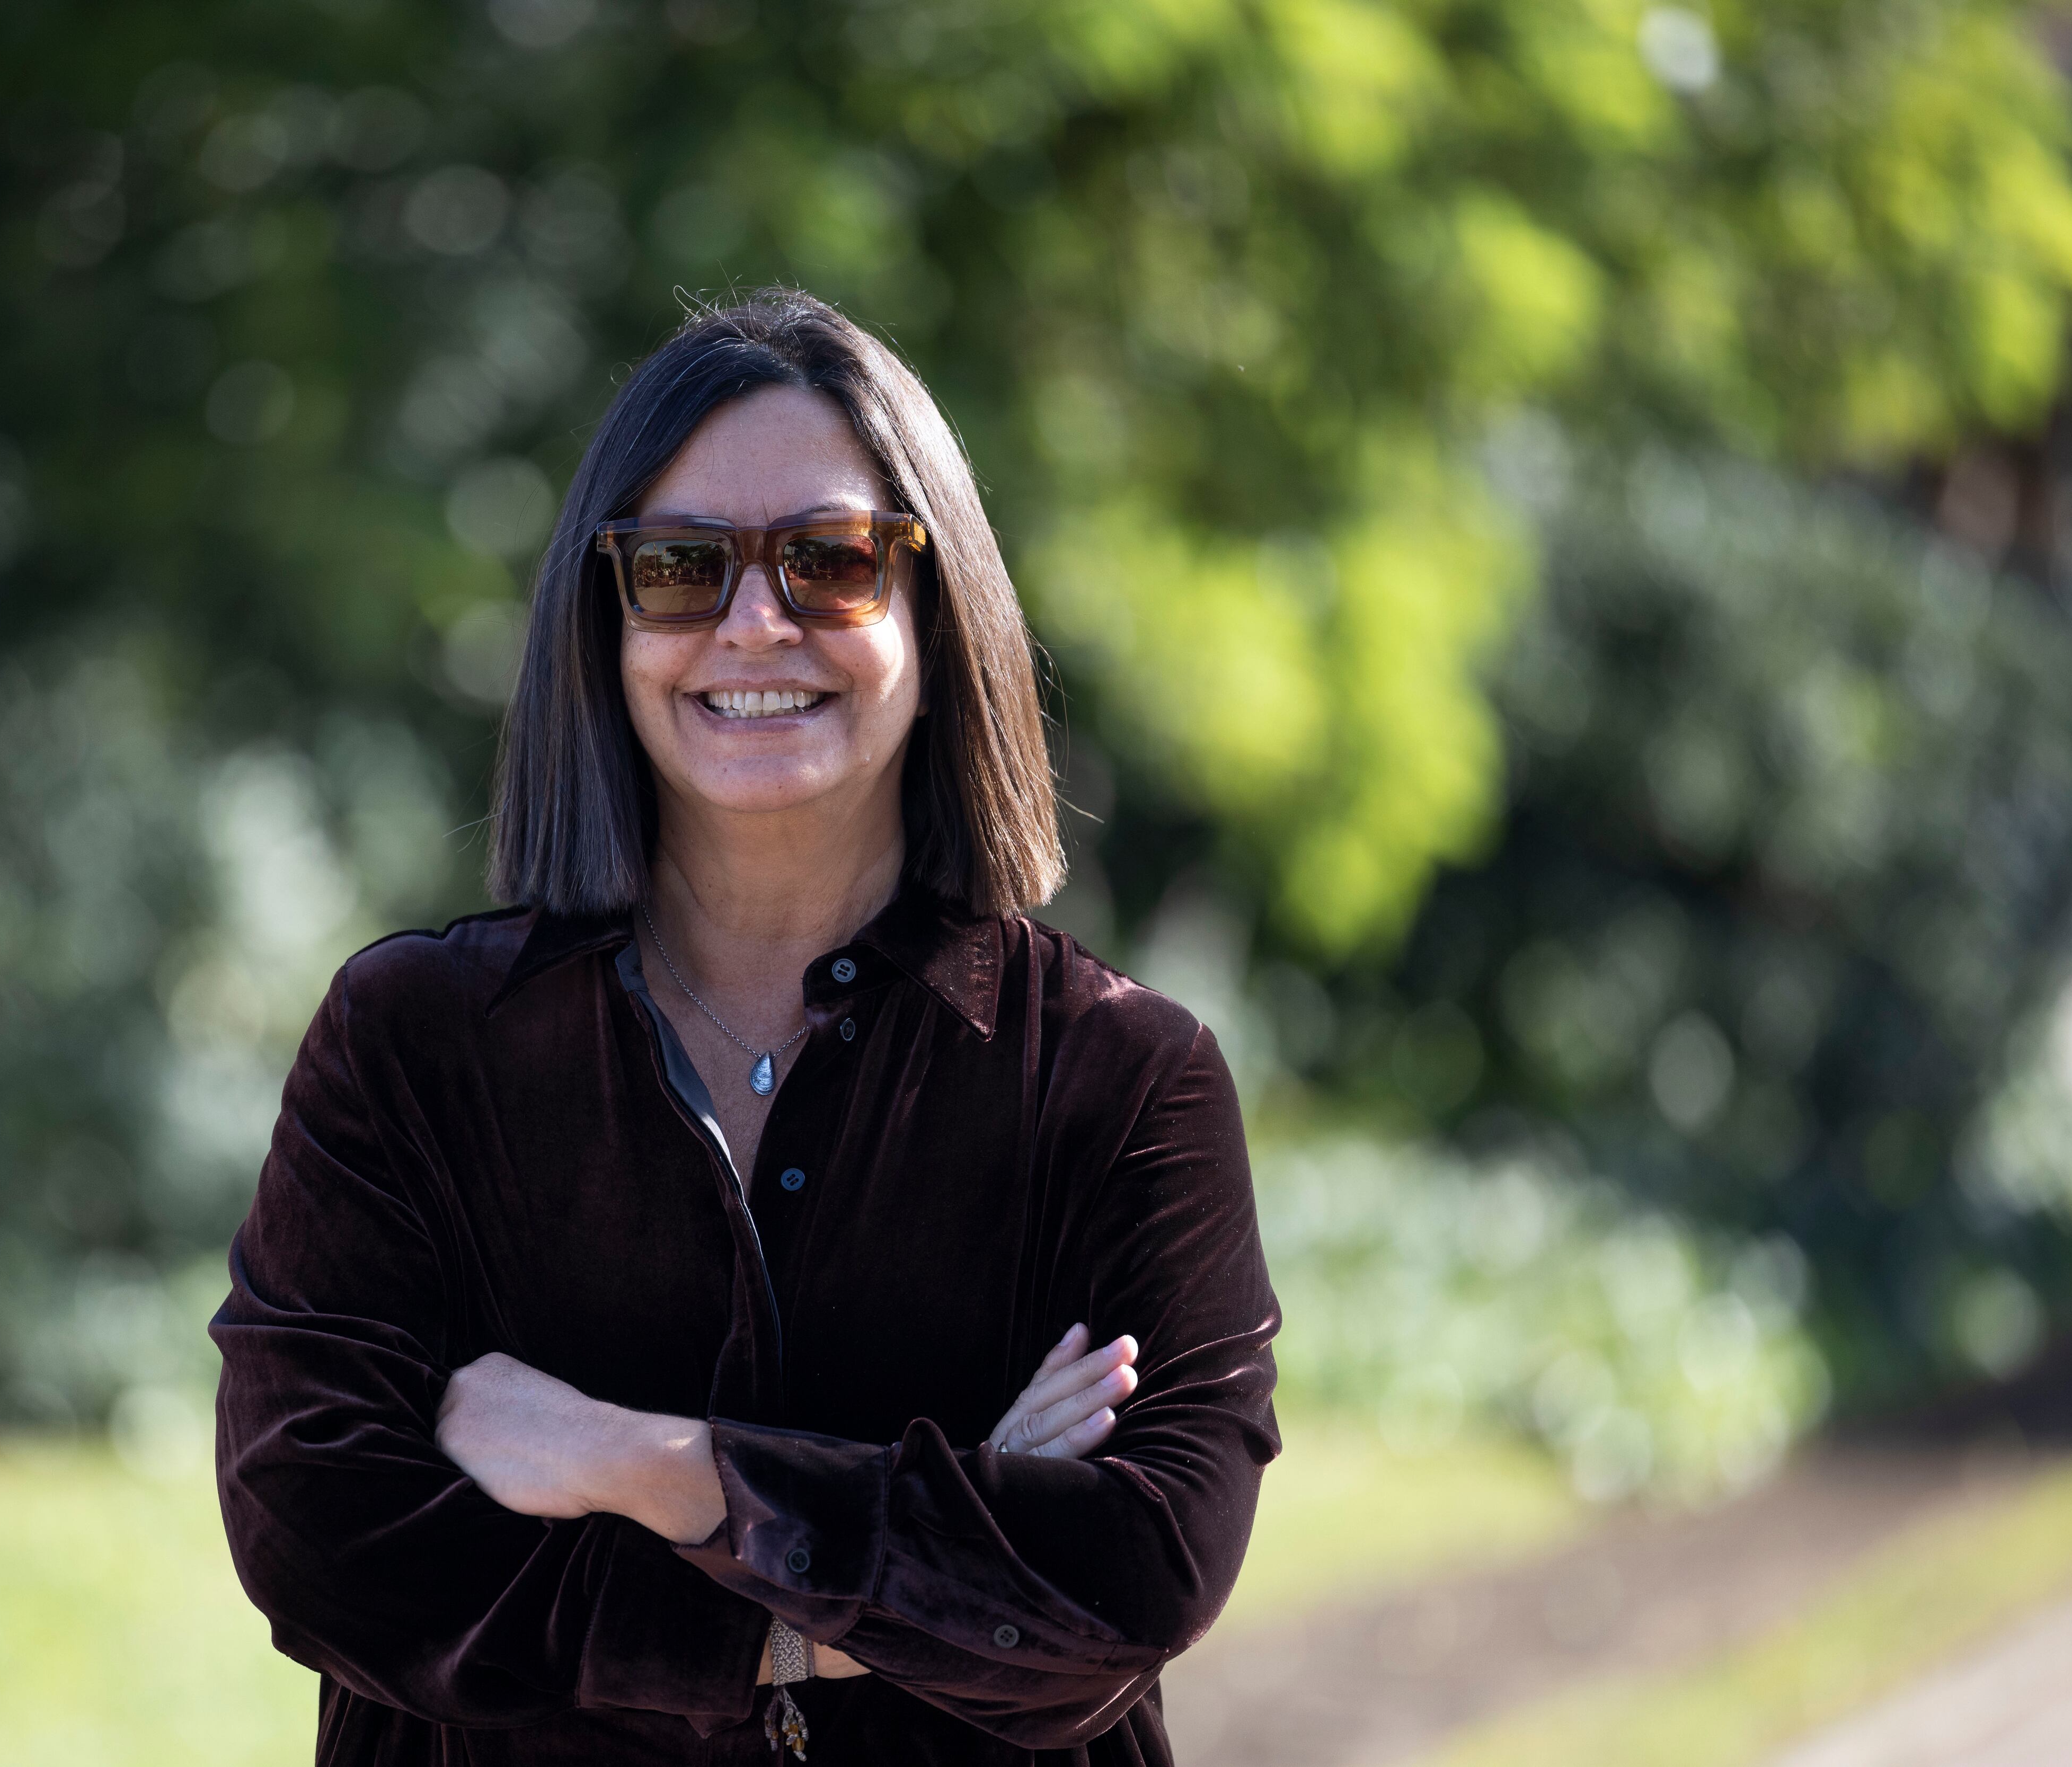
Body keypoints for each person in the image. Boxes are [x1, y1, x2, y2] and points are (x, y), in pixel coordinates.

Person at [212, 289, 1280, 1764]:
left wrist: (649, 1466)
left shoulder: (1119, 1079)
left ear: (936, 601)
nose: (755, 622)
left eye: (834, 561)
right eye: (681, 567)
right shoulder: (412, 1045)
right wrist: (926, 1540)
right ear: (609, 616)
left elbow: (1132, 1579)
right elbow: (326, 1538)